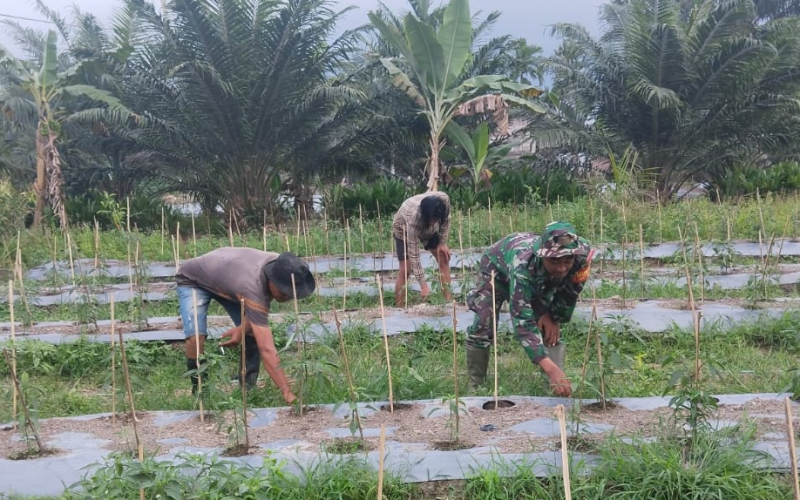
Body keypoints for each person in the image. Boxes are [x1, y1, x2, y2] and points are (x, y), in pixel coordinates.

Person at [464, 221, 592, 397]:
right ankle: (476, 386)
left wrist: (553, 316)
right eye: (554, 261)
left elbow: (570, 292)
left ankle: (555, 389)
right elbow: (523, 322)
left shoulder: (580, 258)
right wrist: (549, 367)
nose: (562, 267)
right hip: (496, 267)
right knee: (484, 322)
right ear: (542, 256)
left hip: (538, 274)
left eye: (567, 260)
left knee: (549, 326)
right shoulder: (522, 269)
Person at [175, 248, 316, 404]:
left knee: (252, 334)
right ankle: (200, 392)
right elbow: (267, 349)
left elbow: (262, 302)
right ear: (271, 281)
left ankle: (247, 392)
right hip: (193, 279)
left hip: (230, 280)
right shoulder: (252, 285)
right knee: (195, 338)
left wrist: (242, 329)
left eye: (291, 294)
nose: (287, 298)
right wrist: (287, 393)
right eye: (284, 293)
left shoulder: (284, 267)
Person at [392, 192, 453, 306]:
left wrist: (442, 243)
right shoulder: (413, 219)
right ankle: (399, 308)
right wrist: (423, 285)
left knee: (443, 257)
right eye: (432, 219)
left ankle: (448, 303)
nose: (435, 222)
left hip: (429, 231)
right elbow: (414, 255)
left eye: (436, 219)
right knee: (406, 268)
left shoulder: (444, 200)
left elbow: (446, 220)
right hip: (403, 229)